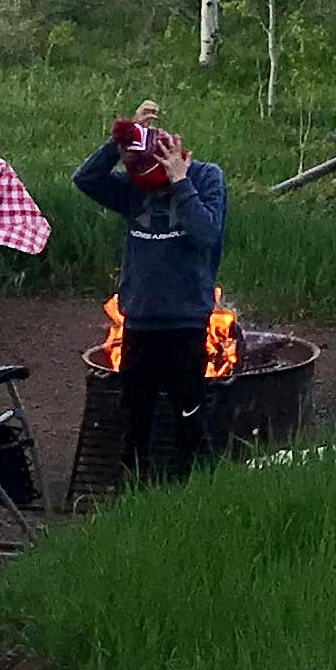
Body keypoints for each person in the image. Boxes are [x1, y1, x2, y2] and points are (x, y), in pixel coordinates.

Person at [75, 99, 229, 481]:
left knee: (188, 412)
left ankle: (189, 484)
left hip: (186, 317)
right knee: (136, 415)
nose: (143, 186)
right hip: (140, 318)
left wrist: (179, 182)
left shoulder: (208, 178)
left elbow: (206, 233)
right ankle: (133, 487)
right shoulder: (131, 186)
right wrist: (120, 140)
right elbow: (85, 180)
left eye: (151, 176)